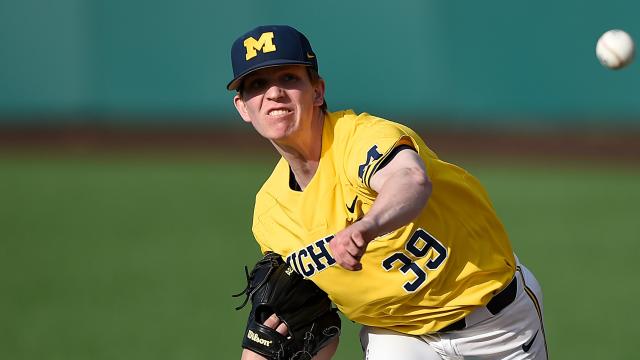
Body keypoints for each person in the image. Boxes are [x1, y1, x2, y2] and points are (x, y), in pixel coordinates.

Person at [228, 25, 548, 360]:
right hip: (399, 339)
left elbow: (410, 179)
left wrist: (368, 226)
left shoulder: (361, 138)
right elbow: (304, 318)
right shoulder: (270, 216)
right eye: (257, 85)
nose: (275, 92)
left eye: (289, 78)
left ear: (318, 91)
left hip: (497, 327)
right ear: (243, 108)